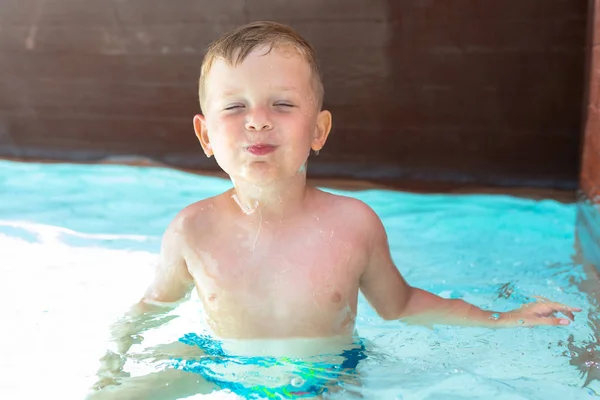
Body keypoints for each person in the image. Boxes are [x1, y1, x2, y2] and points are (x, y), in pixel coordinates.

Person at [88, 21, 581, 400]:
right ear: (205, 136)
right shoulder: (192, 230)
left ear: (319, 131)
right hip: (219, 364)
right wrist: (113, 362)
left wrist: (500, 320)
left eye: (282, 104)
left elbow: (402, 304)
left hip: (326, 374)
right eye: (235, 107)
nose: (258, 121)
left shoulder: (352, 224)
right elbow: (152, 306)